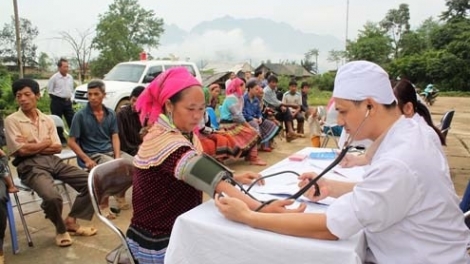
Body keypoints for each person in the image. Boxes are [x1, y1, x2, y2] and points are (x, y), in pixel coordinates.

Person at [215, 61, 470, 264]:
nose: (339, 121)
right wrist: (332, 187)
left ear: (370, 105)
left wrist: (249, 216)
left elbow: (329, 228)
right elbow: (391, 192)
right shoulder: (412, 130)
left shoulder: (399, 160)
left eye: (344, 111)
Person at [126, 67, 304, 263]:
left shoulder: (181, 132)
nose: (197, 115)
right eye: (190, 108)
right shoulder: (166, 141)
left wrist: (233, 177)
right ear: (169, 105)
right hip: (156, 241)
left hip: (174, 228)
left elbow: (202, 166)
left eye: (201, 109)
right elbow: (210, 178)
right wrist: (261, 208)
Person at [5, 78, 97, 248]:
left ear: (37, 95)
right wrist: (44, 143)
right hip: (29, 165)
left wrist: (33, 145)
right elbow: (21, 151)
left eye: (27, 94)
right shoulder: (12, 120)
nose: (23, 99)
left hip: (54, 161)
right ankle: (61, 229)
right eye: (19, 96)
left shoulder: (47, 119)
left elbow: (57, 148)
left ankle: (71, 220)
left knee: (92, 182)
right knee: (52, 197)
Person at [340, 78, 446, 168]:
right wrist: (360, 159)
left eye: (388, 111)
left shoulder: (412, 142)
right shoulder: (410, 130)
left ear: (408, 108)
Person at [68, 80, 133, 218]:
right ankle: (103, 204)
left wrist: (117, 156)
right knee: (111, 169)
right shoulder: (80, 116)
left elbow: (115, 136)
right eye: (89, 94)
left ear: (103, 95)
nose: (92, 97)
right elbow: (71, 142)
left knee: (137, 166)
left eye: (96, 94)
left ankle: (119, 193)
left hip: (109, 151)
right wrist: (86, 159)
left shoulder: (110, 114)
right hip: (92, 154)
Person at [219, 78, 266, 166]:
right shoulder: (231, 98)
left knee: (253, 131)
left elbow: (239, 116)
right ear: (237, 87)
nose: (245, 87)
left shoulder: (239, 97)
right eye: (243, 85)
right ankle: (253, 158)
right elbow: (238, 116)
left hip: (234, 123)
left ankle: (251, 156)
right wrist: (248, 126)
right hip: (227, 124)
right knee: (253, 132)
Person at [198, 87, 241, 161]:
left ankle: (223, 157)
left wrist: (217, 130)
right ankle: (219, 159)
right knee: (221, 138)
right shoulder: (199, 111)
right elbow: (202, 128)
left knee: (226, 135)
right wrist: (216, 131)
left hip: (209, 131)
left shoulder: (205, 109)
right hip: (202, 134)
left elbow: (209, 123)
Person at [243, 79, 279, 152]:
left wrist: (260, 117)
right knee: (256, 127)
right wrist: (252, 118)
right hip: (247, 120)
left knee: (271, 125)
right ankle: (253, 152)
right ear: (250, 89)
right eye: (256, 89)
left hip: (256, 119)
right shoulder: (244, 99)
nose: (258, 91)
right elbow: (243, 113)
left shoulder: (256, 100)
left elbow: (259, 112)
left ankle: (264, 145)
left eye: (258, 89)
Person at [48, 58, 75, 145]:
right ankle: (60, 138)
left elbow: (71, 90)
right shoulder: (54, 78)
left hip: (67, 102)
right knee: (57, 120)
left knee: (72, 119)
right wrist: (57, 100)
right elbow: (50, 91)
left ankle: (75, 137)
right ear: (59, 68)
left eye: (67, 67)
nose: (66, 69)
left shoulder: (70, 77)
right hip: (57, 101)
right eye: (64, 67)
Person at [263, 75, 298, 142]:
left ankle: (290, 133)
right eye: (272, 82)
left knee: (286, 111)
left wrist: (282, 106)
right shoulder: (267, 91)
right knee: (286, 111)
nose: (274, 84)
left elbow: (275, 102)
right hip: (267, 111)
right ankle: (290, 132)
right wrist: (291, 105)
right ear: (268, 83)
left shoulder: (272, 90)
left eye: (276, 82)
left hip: (273, 108)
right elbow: (276, 103)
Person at [117, 86, 145, 156]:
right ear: (130, 99)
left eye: (139, 102)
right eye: (133, 100)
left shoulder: (147, 115)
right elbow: (122, 141)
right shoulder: (122, 114)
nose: (135, 104)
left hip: (144, 149)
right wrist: (137, 149)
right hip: (127, 151)